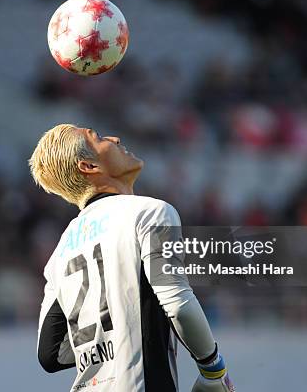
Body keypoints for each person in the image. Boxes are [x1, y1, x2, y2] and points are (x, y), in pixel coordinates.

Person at [29, 124, 235, 392]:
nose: (115, 137)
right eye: (99, 138)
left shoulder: (61, 249)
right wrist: (212, 369)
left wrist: (104, 345)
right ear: (89, 167)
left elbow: (50, 354)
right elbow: (177, 302)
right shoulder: (150, 212)